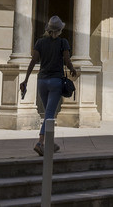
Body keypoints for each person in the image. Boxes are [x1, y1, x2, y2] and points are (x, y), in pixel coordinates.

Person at [20, 15, 74, 155]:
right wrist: (73, 70)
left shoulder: (40, 42)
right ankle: (40, 142)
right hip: (55, 81)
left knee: (48, 114)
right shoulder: (63, 42)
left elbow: (33, 61)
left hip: (42, 81)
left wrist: (25, 80)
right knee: (49, 114)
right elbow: (67, 61)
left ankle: (50, 143)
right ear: (60, 29)